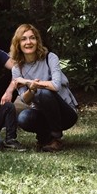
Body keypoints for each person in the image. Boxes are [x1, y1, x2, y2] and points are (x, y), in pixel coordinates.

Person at [10, 24, 78, 152]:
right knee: (23, 118)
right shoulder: (17, 68)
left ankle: (56, 138)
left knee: (44, 93)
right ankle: (45, 139)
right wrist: (31, 89)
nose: (28, 42)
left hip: (65, 113)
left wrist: (27, 81)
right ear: (18, 43)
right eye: (23, 39)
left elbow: (56, 85)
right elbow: (26, 100)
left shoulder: (50, 58)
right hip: (42, 112)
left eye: (32, 38)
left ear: (37, 41)